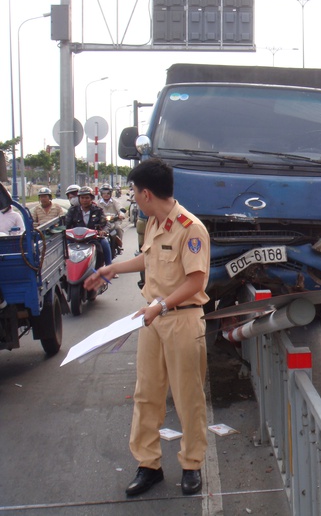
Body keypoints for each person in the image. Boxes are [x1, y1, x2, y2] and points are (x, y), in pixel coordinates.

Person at [85, 158, 210, 497]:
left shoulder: (190, 227)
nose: (133, 199)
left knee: (188, 397)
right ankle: (148, 464)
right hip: (151, 320)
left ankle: (191, 464)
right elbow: (150, 258)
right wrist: (113, 268)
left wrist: (161, 305)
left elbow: (196, 281)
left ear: (147, 193)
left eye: (135, 193)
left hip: (181, 319)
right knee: (147, 394)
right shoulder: (154, 223)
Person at [64, 186, 112, 267]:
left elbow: (106, 224)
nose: (84, 200)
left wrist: (103, 231)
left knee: (104, 243)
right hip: (75, 239)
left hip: (93, 238)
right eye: (82, 198)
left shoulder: (98, 210)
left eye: (87, 198)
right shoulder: (72, 210)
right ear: (79, 199)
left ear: (91, 199)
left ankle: (109, 268)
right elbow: (66, 224)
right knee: (65, 248)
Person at [98, 183, 125, 248]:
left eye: (108, 193)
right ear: (101, 194)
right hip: (103, 222)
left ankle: (119, 245)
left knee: (118, 228)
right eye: (104, 193)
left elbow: (121, 208)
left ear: (111, 193)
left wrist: (121, 214)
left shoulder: (115, 202)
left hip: (114, 221)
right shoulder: (98, 203)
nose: (106, 195)